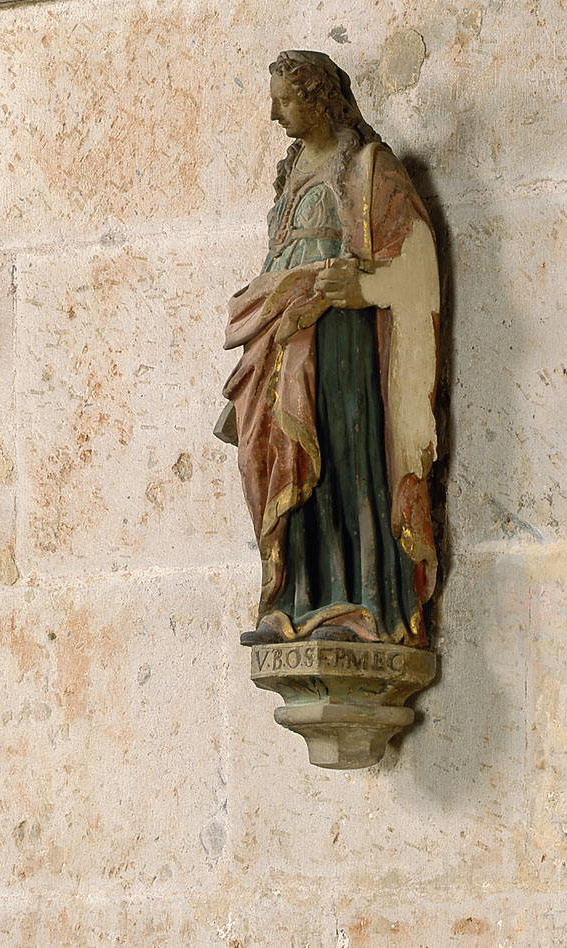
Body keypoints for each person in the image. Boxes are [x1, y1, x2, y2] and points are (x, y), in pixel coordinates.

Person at [225, 51, 441, 647]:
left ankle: (361, 606)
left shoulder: (370, 167)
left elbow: (419, 263)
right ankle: (293, 603)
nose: (274, 114)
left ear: (319, 98)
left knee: (342, 462)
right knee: (271, 456)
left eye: (285, 100)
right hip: (284, 338)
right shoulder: (291, 169)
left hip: (343, 344)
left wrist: (362, 286)